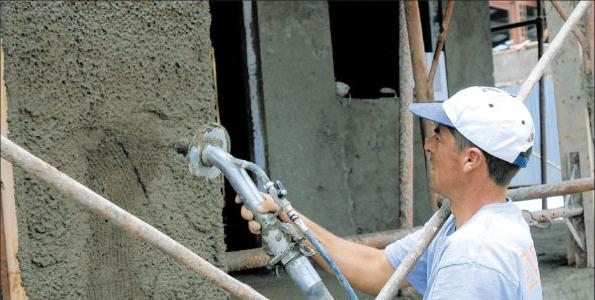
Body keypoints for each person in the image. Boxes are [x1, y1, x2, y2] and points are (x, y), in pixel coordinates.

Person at [238, 86, 543, 299]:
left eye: (439, 135)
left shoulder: (473, 256)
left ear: (470, 159)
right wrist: (290, 220)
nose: (428, 145)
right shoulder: (468, 223)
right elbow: (378, 268)